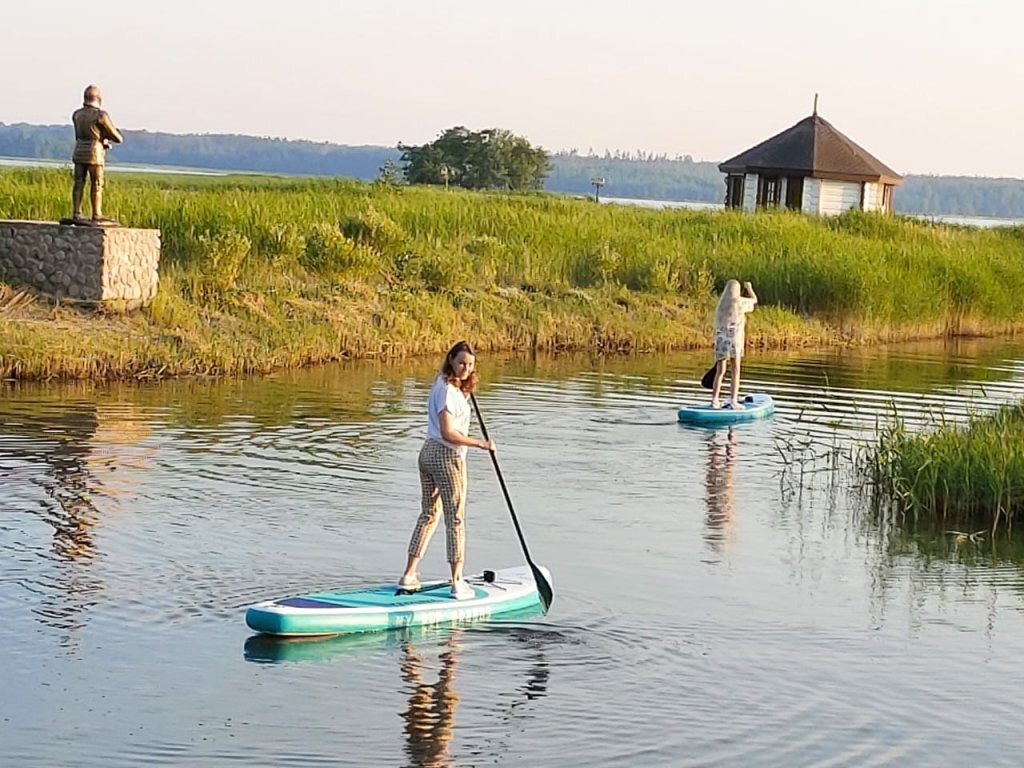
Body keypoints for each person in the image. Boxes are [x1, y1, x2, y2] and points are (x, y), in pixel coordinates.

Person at [398, 341, 495, 600]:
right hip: (445, 456)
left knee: (429, 514)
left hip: (427, 452)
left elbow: (454, 405)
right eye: (461, 363)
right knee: (456, 518)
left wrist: (465, 388)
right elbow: (448, 432)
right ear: (451, 359)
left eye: (471, 365)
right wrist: (480, 444)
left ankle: (409, 574)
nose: (466, 368)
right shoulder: (448, 391)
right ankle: (457, 582)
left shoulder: (443, 384)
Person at [71, 85, 123, 223]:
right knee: (97, 183)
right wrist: (104, 138)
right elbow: (117, 137)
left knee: (78, 183)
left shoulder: (77, 114)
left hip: (79, 151)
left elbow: (78, 134)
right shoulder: (101, 115)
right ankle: (96, 214)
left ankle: (76, 212)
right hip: (95, 153)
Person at [710, 279, 758, 409]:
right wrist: (749, 288)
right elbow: (754, 300)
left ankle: (714, 400)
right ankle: (733, 400)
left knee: (720, 371)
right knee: (736, 371)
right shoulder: (739, 302)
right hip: (734, 340)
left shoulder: (721, 305)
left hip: (720, 340)